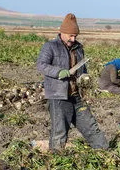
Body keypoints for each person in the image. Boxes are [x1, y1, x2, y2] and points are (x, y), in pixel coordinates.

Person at [36, 13, 108, 151]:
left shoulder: (78, 48)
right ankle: (57, 160)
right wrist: (59, 72)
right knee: (60, 131)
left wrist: (84, 77)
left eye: (75, 36)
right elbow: (41, 65)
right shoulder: (50, 46)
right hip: (58, 96)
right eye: (71, 36)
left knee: (90, 126)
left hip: (75, 96)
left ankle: (104, 152)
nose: (73, 39)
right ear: (62, 32)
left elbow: (82, 67)